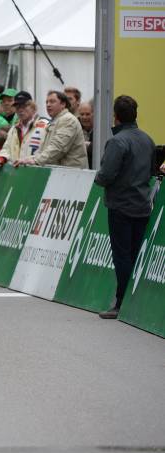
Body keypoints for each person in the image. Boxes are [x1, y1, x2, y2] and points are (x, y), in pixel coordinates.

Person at [94, 95, 156, 319]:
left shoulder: (117, 142)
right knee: (135, 253)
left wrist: (98, 179)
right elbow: (152, 171)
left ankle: (120, 302)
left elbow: (107, 174)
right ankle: (134, 302)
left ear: (116, 116)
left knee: (122, 255)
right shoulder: (148, 140)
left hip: (120, 206)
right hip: (142, 204)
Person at [17, 90, 88, 169]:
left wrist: (35, 160)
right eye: (47, 102)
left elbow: (58, 148)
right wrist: (30, 159)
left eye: (52, 101)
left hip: (71, 175)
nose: (48, 105)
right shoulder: (56, 121)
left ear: (63, 104)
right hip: (62, 173)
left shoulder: (68, 120)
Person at [0, 93, 49, 166]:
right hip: (17, 174)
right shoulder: (14, 129)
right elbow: (6, 150)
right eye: (17, 107)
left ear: (33, 108)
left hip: (38, 173)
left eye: (24, 106)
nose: (20, 110)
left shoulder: (46, 125)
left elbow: (50, 153)